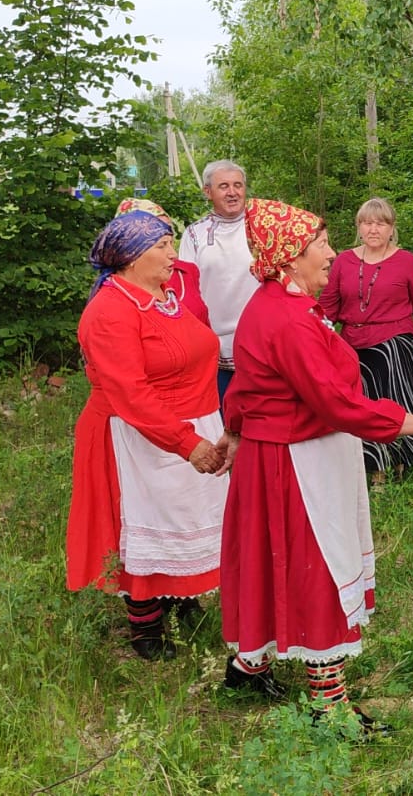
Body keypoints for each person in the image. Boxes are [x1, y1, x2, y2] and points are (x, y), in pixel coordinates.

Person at [219, 198, 413, 720]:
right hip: (297, 462)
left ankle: (248, 668)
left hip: (281, 454)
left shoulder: (278, 305)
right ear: (288, 258)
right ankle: (330, 707)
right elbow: (340, 405)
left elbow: (243, 387)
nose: (331, 254)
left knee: (272, 558)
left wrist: (235, 433)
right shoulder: (290, 320)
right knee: (315, 565)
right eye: (320, 245)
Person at [66, 211, 232, 661]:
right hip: (139, 433)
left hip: (190, 422)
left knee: (184, 518)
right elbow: (130, 392)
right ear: (129, 257)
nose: (173, 255)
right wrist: (185, 442)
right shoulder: (110, 310)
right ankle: (145, 624)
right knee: (148, 523)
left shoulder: (161, 295)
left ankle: (179, 594)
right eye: (162, 246)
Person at [319, 198, 413, 481]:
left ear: (391, 228)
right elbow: (328, 306)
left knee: (397, 401)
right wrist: (315, 333)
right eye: (367, 222)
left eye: (380, 223)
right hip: (353, 344)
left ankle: (404, 461)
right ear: (359, 227)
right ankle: (374, 467)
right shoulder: (343, 261)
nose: (373, 229)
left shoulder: (406, 260)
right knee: (363, 407)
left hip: (395, 342)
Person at [179, 160, 260, 401]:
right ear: (208, 192)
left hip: (264, 342)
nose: (233, 192)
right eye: (223, 186)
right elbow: (186, 291)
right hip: (215, 347)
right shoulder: (194, 234)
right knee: (224, 424)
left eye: (238, 185)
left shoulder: (264, 227)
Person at [117, 198, 209, 327]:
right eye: (161, 244)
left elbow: (203, 322)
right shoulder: (116, 292)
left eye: (170, 241)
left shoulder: (186, 272)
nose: (173, 254)